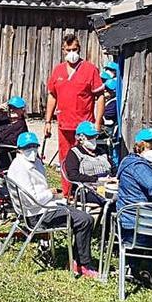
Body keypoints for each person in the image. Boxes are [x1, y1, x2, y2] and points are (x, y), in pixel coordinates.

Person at [6, 132, 99, 278]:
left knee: (81, 215)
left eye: (34, 146)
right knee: (85, 220)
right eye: (27, 147)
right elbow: (32, 199)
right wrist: (52, 193)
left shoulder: (33, 162)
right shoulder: (20, 168)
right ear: (19, 149)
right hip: (38, 214)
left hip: (42, 207)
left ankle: (79, 260)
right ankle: (82, 264)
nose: (32, 150)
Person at [43, 33, 104, 196]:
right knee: (65, 160)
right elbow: (52, 95)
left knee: (86, 160)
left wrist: (97, 122)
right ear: (63, 50)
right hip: (64, 125)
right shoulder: (58, 71)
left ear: (80, 49)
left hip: (85, 127)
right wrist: (48, 121)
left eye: (75, 49)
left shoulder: (90, 69)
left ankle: (87, 194)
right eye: (68, 49)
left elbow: (99, 96)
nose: (72, 53)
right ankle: (67, 194)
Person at [63, 121, 111, 205]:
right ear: (80, 138)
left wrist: (113, 178)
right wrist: (96, 179)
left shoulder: (101, 151)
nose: (93, 139)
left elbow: (113, 167)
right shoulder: (74, 153)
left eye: (95, 136)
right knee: (112, 200)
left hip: (107, 185)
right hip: (88, 188)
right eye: (90, 137)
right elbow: (73, 175)